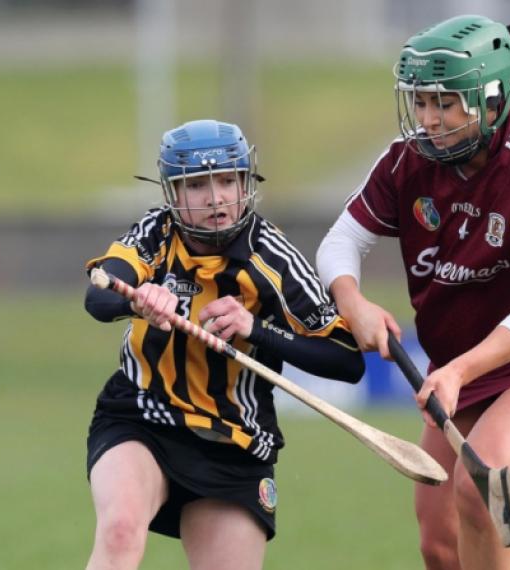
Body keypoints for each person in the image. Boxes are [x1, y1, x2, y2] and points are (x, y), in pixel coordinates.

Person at [316, 14, 510, 570]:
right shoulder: (407, 161)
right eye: (421, 101)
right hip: (462, 368)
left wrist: (455, 373)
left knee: (482, 483)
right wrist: (352, 301)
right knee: (439, 543)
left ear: (493, 98)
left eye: (445, 103)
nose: (428, 119)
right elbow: (338, 245)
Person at [83, 119, 364, 570]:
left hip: (233, 440)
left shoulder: (272, 258)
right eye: (196, 185)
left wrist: (256, 329)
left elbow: (346, 360)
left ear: (245, 182)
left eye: (227, 181)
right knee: (119, 530)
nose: (215, 198)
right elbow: (99, 293)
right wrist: (140, 300)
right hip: (143, 415)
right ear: (172, 192)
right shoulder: (156, 233)